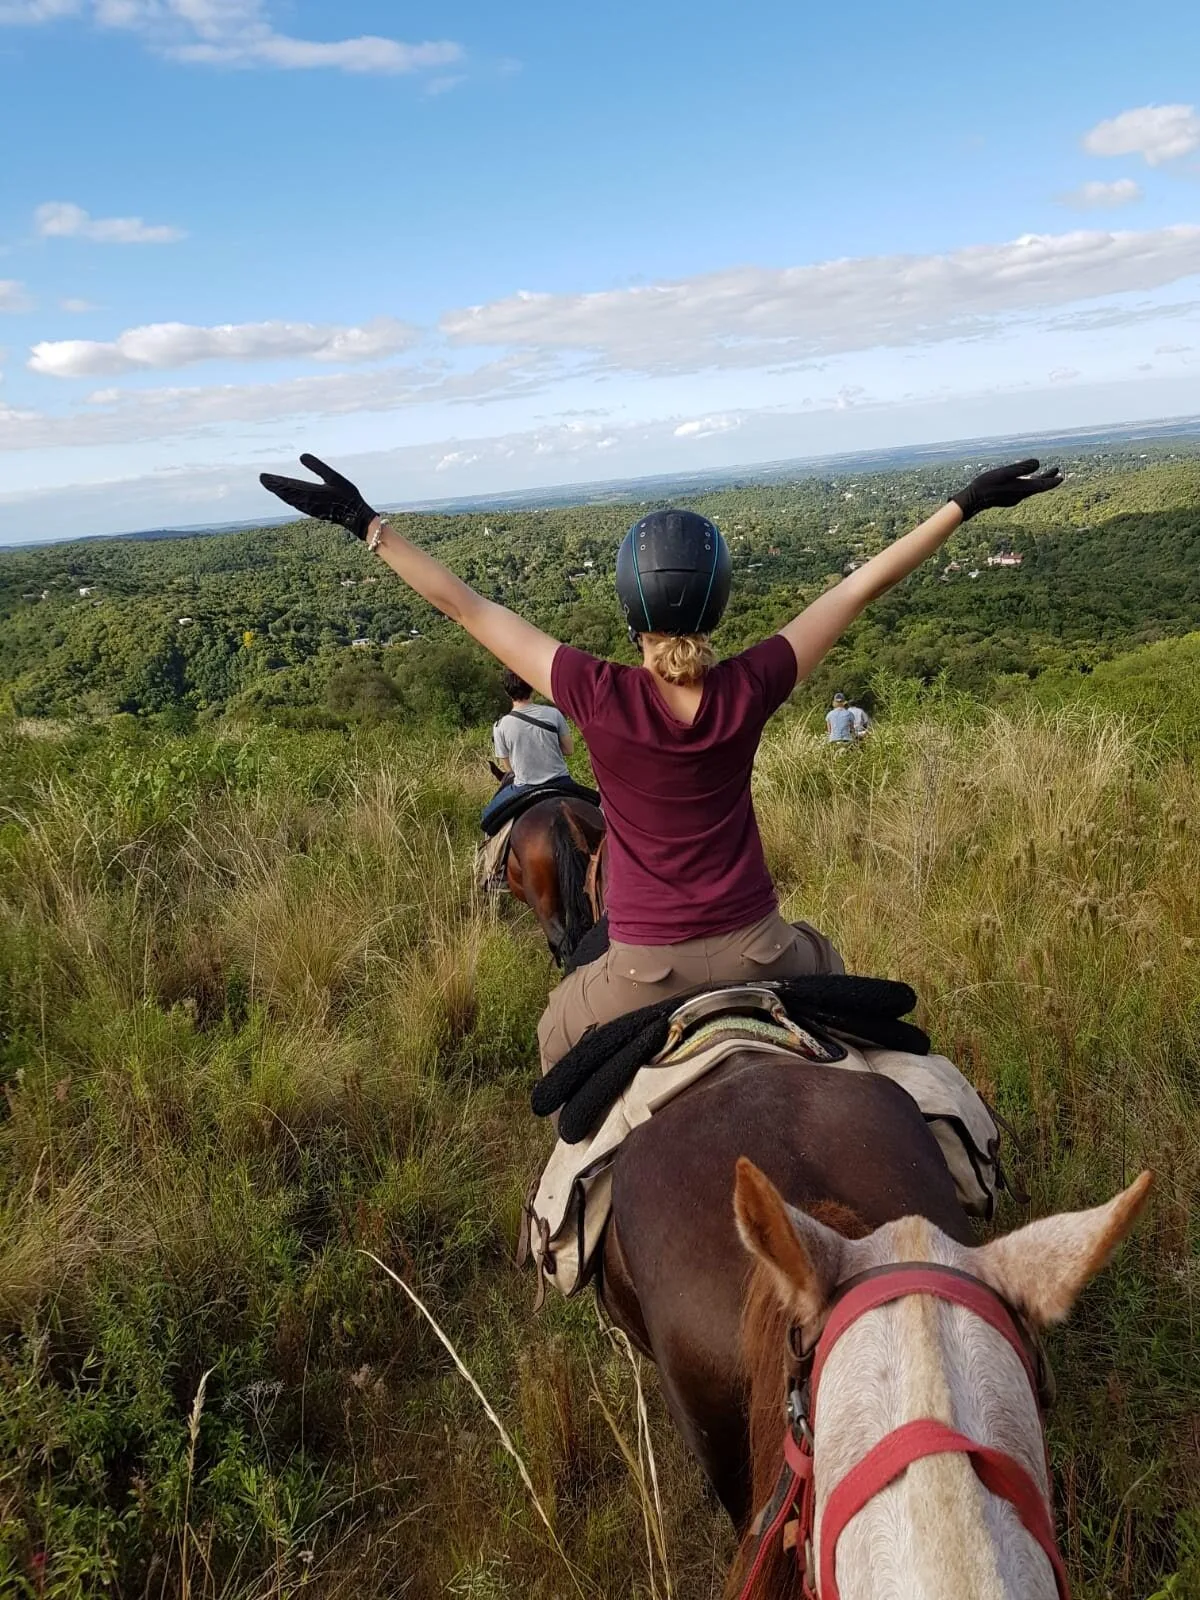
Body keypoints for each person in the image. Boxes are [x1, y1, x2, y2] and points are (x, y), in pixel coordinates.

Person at [260, 454, 1062, 1070]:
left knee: (555, 1035)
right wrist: (963, 504)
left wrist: (368, 525)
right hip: (763, 948)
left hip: (643, 970)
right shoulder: (752, 683)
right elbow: (857, 590)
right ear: (718, 602)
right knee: (836, 981)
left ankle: (566, 1208)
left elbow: (465, 606)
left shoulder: (595, 691)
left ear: (628, 607)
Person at [481, 669, 575, 832]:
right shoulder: (553, 714)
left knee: (486, 819)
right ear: (532, 687)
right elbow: (569, 750)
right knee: (599, 808)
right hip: (562, 782)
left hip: (525, 787)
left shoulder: (499, 726)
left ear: (507, 692)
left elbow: (508, 769)